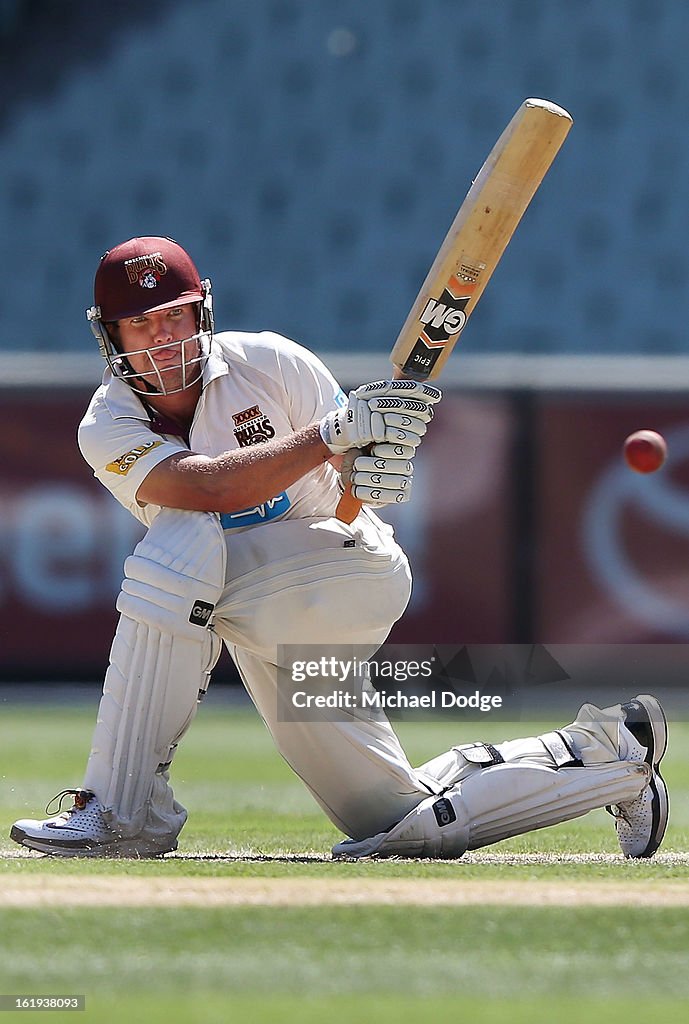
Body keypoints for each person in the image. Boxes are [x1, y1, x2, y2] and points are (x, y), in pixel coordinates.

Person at [11, 236, 669, 860]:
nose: (163, 337)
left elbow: (353, 486)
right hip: (258, 610)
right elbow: (202, 486)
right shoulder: (107, 424)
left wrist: (373, 463)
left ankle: (124, 813)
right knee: (394, 823)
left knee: (174, 550)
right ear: (111, 337)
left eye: (175, 316)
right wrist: (326, 436)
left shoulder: (270, 361)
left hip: (344, 570)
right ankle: (611, 757)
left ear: (201, 312)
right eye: (141, 324)